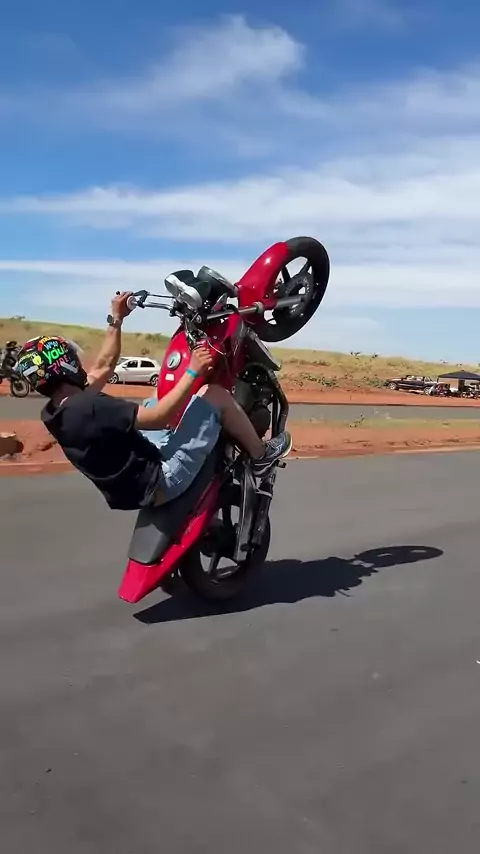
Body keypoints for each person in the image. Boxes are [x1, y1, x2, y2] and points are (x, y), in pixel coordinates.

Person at [15, 292, 292, 511]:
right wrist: (194, 370)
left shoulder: (58, 410)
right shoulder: (91, 408)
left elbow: (104, 366)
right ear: (64, 365)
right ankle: (261, 456)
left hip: (129, 485)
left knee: (153, 399)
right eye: (72, 357)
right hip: (160, 480)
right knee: (213, 395)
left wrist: (116, 319)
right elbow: (159, 418)